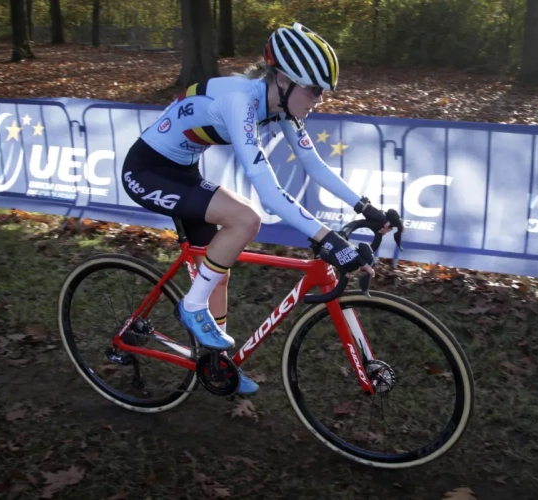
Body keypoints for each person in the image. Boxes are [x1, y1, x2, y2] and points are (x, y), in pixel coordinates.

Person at [120, 23, 402, 395]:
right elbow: (269, 194)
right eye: (315, 90)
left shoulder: (280, 107)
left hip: (183, 172)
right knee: (246, 219)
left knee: (219, 269)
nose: (319, 99)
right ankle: (190, 307)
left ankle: (215, 365)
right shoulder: (242, 102)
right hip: (147, 170)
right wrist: (328, 238)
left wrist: (366, 208)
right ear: (284, 79)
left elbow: (314, 165)